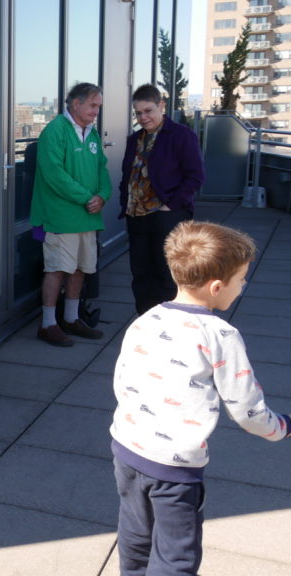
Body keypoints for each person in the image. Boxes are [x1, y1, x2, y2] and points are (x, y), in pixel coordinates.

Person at [110, 220, 291, 575]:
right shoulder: (220, 334)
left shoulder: (147, 319)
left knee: (135, 534)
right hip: (176, 467)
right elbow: (248, 411)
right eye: (241, 280)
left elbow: (122, 380)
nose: (242, 287)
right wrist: (281, 428)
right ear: (217, 286)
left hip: (127, 450)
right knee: (176, 555)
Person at [31, 82, 111, 347]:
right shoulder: (55, 131)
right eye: (93, 105)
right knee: (56, 269)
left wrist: (102, 195)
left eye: (98, 106)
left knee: (80, 269)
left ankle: (71, 318)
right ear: (75, 104)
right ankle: (48, 324)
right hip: (61, 217)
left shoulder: (92, 133)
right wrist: (86, 197)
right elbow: (53, 174)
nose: (96, 111)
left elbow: (102, 168)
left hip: (87, 216)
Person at [119, 84, 205, 315]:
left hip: (168, 216)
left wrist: (171, 205)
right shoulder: (134, 139)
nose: (143, 117)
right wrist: (124, 204)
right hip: (136, 216)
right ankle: (147, 323)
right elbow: (128, 176)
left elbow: (195, 176)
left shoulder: (181, 135)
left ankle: (171, 326)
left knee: (167, 275)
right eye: (138, 113)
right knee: (141, 274)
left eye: (148, 111)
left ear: (161, 106)